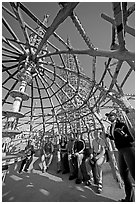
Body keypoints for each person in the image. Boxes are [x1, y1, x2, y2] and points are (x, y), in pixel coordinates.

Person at [105, 112, 135, 202]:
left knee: (134, 173)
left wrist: (122, 133)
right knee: (124, 175)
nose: (109, 117)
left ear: (115, 116)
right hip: (120, 150)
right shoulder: (111, 127)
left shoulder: (122, 124)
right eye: (108, 116)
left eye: (111, 115)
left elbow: (131, 138)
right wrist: (108, 136)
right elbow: (114, 138)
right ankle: (129, 198)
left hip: (128, 149)